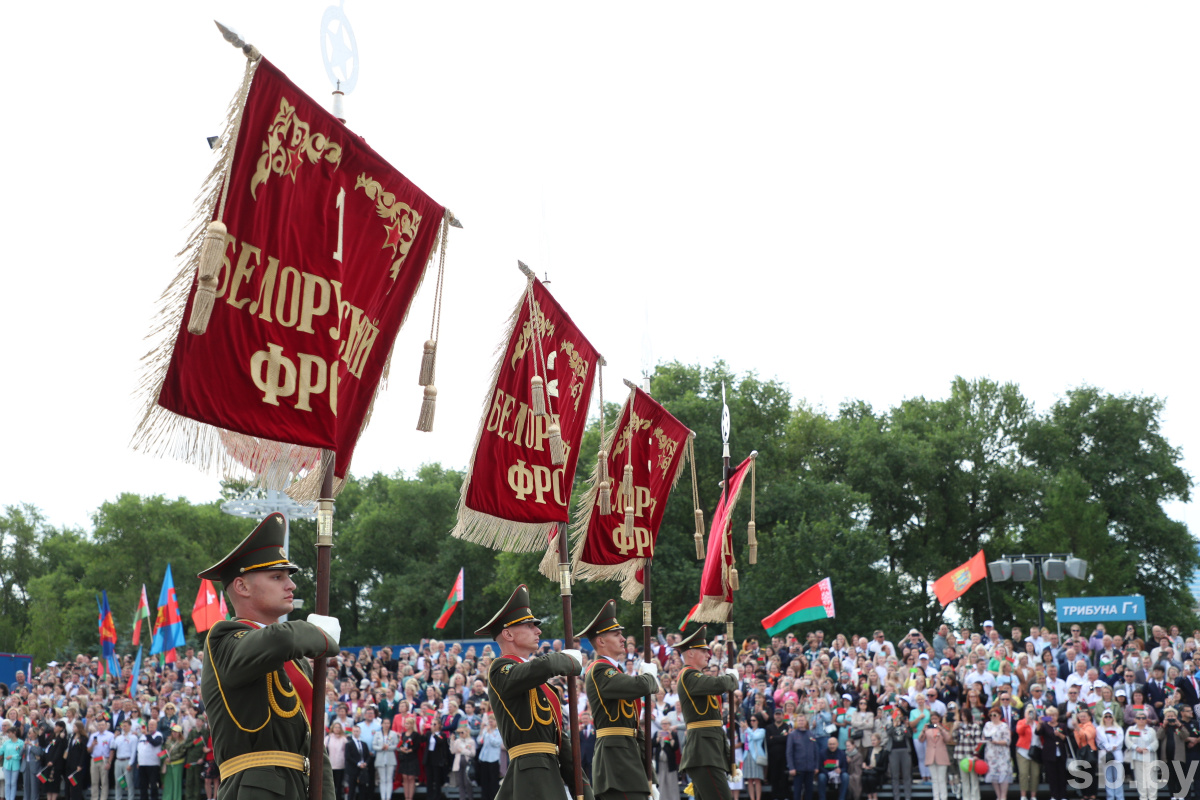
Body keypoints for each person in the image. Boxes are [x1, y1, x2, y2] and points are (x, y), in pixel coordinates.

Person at [196, 513, 341, 800]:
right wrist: (318, 634)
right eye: (277, 577)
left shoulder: (296, 661)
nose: (291, 586)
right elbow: (281, 638)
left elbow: (315, 748)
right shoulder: (224, 637)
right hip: (255, 790)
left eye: (288, 577)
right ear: (242, 586)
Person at [476, 584, 590, 800]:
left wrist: (584, 791)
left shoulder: (547, 689)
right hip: (530, 776)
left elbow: (563, 748)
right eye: (529, 626)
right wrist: (566, 659)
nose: (538, 630)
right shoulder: (500, 669)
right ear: (508, 633)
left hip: (550, 776)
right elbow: (542, 667)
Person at [579, 600, 659, 800]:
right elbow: (638, 686)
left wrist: (650, 776)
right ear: (601, 641)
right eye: (617, 635)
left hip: (627, 758)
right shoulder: (600, 670)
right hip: (616, 761)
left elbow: (634, 729)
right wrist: (649, 676)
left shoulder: (615, 671)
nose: (623, 639)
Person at [676, 626, 740, 800]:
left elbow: (715, 724)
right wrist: (732, 678)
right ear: (690, 654)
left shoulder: (697, 677)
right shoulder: (689, 675)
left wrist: (728, 756)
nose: (709, 654)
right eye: (703, 651)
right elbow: (718, 685)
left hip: (710, 751)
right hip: (703, 753)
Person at [1037, 706, 1070, 800]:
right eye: (1050, 715)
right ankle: (1054, 795)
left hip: (1061, 753)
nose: (1052, 717)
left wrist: (1059, 734)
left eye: (1054, 715)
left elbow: (1066, 739)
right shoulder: (1045, 725)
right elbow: (1037, 732)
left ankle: (1063, 795)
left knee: (1062, 776)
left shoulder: (1062, 725)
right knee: (1052, 776)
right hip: (1049, 754)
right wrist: (1039, 723)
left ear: (1057, 716)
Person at [786, 715, 820, 800]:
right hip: (798, 768)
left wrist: (816, 766)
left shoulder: (811, 734)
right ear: (796, 722)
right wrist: (791, 767)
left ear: (806, 722)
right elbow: (789, 752)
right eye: (799, 720)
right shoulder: (792, 735)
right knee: (797, 791)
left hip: (810, 768)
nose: (801, 722)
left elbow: (816, 751)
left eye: (803, 720)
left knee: (809, 791)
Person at [884, 703, 913, 800]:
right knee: (895, 775)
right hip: (893, 751)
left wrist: (906, 726)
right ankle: (896, 797)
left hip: (905, 750)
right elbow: (888, 733)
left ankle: (907, 797)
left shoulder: (905, 724)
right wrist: (894, 725)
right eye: (896, 713)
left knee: (906, 775)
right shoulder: (889, 723)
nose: (898, 715)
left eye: (899, 713)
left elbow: (909, 735)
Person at [1126, 709, 1157, 800]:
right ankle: (1143, 797)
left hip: (1149, 756)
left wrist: (1148, 749)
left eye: (1143, 718)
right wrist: (1136, 748)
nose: (1141, 719)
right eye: (1138, 718)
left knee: (1151, 779)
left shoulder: (1151, 730)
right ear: (1135, 719)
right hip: (1137, 756)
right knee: (1140, 780)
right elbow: (1128, 741)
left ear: (1146, 719)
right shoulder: (1131, 729)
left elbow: (1155, 742)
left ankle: (1152, 798)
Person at [919, 712, 950, 800]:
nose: (934, 720)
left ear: (939, 719)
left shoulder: (943, 727)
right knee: (935, 779)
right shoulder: (928, 729)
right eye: (933, 719)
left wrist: (941, 729)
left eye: (936, 718)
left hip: (941, 755)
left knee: (942, 779)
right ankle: (936, 797)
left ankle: (944, 797)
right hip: (931, 756)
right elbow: (921, 740)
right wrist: (923, 730)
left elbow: (948, 739)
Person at [983, 705, 1012, 800]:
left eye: (994, 715)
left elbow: (1008, 741)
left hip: (1002, 753)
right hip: (991, 753)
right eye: (990, 715)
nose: (992, 717)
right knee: (993, 774)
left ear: (999, 715)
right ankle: (998, 796)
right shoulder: (987, 725)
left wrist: (997, 742)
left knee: (1003, 774)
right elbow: (983, 737)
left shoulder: (1004, 725)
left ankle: (1003, 796)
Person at [1095, 709, 1125, 800]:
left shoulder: (1118, 728)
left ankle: (1120, 797)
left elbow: (1120, 741)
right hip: (1105, 755)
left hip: (1117, 755)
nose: (1108, 718)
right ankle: (1110, 797)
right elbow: (1099, 741)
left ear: (1113, 718)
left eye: (1110, 716)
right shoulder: (1099, 729)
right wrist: (1109, 747)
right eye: (1106, 717)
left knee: (1118, 778)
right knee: (1108, 779)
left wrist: (1112, 747)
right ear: (1103, 718)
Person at [1014, 705, 1041, 800]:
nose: (1030, 714)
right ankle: (1023, 795)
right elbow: (1019, 731)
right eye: (1028, 712)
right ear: (1025, 714)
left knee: (1035, 774)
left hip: (1035, 752)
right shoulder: (1021, 722)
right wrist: (1027, 722)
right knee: (1024, 773)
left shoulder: (1038, 723)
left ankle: (1033, 796)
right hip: (1023, 751)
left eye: (1032, 712)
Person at [422, 717, 450, 800]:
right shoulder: (428, 734)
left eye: (434, 724)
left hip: (437, 758)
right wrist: (423, 731)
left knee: (437, 778)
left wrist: (434, 734)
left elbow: (440, 742)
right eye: (432, 724)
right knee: (429, 778)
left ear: (439, 725)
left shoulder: (442, 734)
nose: (433, 726)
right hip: (429, 757)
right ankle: (429, 796)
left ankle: (437, 796)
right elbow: (422, 739)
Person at [475, 715, 502, 800]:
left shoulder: (499, 732)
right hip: (484, 758)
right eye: (489, 721)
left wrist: (490, 734)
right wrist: (481, 730)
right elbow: (479, 741)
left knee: (493, 781)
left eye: (492, 721)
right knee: (484, 780)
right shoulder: (486, 730)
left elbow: (496, 743)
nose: (490, 723)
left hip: (493, 758)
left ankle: (494, 797)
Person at [652, 720, 681, 800]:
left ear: (669, 724)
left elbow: (676, 747)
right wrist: (658, 738)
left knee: (671, 783)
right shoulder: (657, 733)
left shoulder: (673, 734)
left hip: (670, 763)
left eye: (666, 723)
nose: (664, 725)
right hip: (660, 763)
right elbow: (653, 744)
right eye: (662, 724)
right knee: (660, 782)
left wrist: (671, 738)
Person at [1074, 709, 1099, 800]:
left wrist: (1077, 728)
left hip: (1089, 752)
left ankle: (1092, 794)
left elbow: (1086, 736)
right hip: (1081, 752)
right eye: (1081, 716)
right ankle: (1085, 794)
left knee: (1090, 774)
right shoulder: (1079, 726)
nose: (1082, 718)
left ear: (1089, 717)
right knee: (1082, 774)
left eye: (1084, 716)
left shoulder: (1090, 726)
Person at [741, 714, 767, 800]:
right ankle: (752, 798)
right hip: (747, 755)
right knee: (749, 780)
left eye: (754, 720)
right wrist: (742, 730)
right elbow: (742, 740)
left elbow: (755, 737)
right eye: (751, 720)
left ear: (758, 721)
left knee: (757, 779)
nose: (752, 722)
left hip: (756, 756)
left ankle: (758, 798)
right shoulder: (749, 730)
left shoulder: (761, 730)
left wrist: (747, 729)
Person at [182, 717, 207, 800]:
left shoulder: (205, 733)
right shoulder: (192, 732)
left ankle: (196, 798)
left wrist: (202, 758)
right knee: (189, 781)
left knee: (197, 781)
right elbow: (186, 745)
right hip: (190, 759)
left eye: (200, 721)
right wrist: (192, 742)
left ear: (203, 722)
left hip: (199, 760)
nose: (197, 722)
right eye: (197, 721)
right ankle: (188, 797)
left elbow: (206, 747)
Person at [373, 717, 398, 800]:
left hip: (390, 758)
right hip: (380, 758)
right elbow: (374, 745)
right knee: (383, 779)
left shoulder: (393, 734)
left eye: (388, 723)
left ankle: (388, 797)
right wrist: (381, 747)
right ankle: (383, 797)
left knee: (389, 779)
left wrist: (389, 747)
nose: (386, 725)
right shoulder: (377, 734)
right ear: (382, 724)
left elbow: (396, 745)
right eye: (385, 723)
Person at [113, 718, 138, 800]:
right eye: (123, 726)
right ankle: (118, 798)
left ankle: (130, 798)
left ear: (130, 726)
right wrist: (115, 737)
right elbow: (113, 747)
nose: (124, 728)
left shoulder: (133, 737)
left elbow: (134, 751)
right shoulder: (119, 738)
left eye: (125, 726)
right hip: (118, 760)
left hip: (127, 760)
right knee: (118, 782)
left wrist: (131, 763)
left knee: (129, 782)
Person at [449, 725, 475, 800]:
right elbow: (452, 751)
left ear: (466, 732)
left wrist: (462, 751)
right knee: (460, 783)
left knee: (467, 783)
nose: (460, 734)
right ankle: (462, 798)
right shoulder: (458, 741)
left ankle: (470, 798)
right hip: (458, 763)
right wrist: (452, 741)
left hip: (467, 763)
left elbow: (472, 753)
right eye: (459, 733)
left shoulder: (471, 741)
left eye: (462, 732)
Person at [817, 736, 847, 800]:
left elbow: (845, 767)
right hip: (826, 774)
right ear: (827, 744)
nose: (832, 746)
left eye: (833, 744)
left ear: (837, 744)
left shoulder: (842, 753)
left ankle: (842, 798)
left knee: (845, 776)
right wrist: (828, 773)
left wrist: (840, 770)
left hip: (838, 774)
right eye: (830, 744)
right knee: (821, 777)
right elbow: (820, 767)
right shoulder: (822, 753)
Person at [343, 726, 369, 800]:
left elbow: (367, 756)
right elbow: (348, 757)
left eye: (357, 731)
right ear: (352, 732)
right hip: (353, 769)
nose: (356, 733)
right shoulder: (349, 744)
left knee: (363, 790)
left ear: (360, 732)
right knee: (352, 789)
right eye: (354, 731)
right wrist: (358, 764)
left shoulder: (364, 744)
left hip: (362, 770)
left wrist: (365, 763)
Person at [65, 722, 89, 800]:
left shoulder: (83, 738)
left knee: (76, 784)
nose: (73, 728)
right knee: (68, 783)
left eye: (74, 727)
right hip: (70, 763)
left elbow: (83, 753)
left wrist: (80, 764)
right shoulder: (72, 737)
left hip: (77, 764)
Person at [396, 717, 419, 800]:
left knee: (411, 778)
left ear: (412, 725)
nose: (406, 725)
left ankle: (410, 797)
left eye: (408, 723)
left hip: (412, 757)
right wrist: (401, 749)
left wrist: (409, 750)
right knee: (405, 777)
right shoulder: (403, 734)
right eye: (405, 723)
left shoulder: (415, 734)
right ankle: (406, 797)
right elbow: (400, 745)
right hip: (404, 758)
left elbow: (416, 746)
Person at [45, 721, 68, 800]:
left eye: (57, 726)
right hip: (48, 762)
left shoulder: (62, 738)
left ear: (61, 728)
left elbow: (59, 751)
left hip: (56, 764)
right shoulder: (52, 737)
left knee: (55, 782)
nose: (55, 727)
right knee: (48, 783)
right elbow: (45, 744)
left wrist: (53, 761)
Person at [1, 726, 21, 800]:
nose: (8, 735)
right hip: (6, 765)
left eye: (9, 733)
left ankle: (12, 798)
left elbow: (20, 755)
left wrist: (12, 756)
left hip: (15, 765)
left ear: (14, 733)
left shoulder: (20, 742)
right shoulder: (6, 742)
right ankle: (7, 798)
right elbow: (1, 751)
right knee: (7, 783)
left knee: (13, 783)